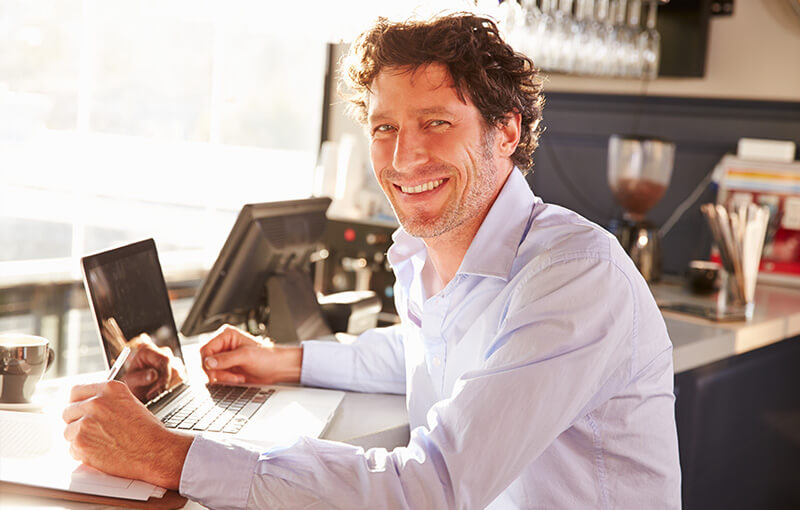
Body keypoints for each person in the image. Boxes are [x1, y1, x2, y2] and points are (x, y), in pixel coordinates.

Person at [63, 13, 681, 509]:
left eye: (436, 122)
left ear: (507, 131)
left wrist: (168, 454)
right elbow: (426, 353)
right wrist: (282, 360)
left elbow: (432, 487)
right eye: (384, 127)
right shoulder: (426, 256)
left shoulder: (574, 272)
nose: (405, 156)